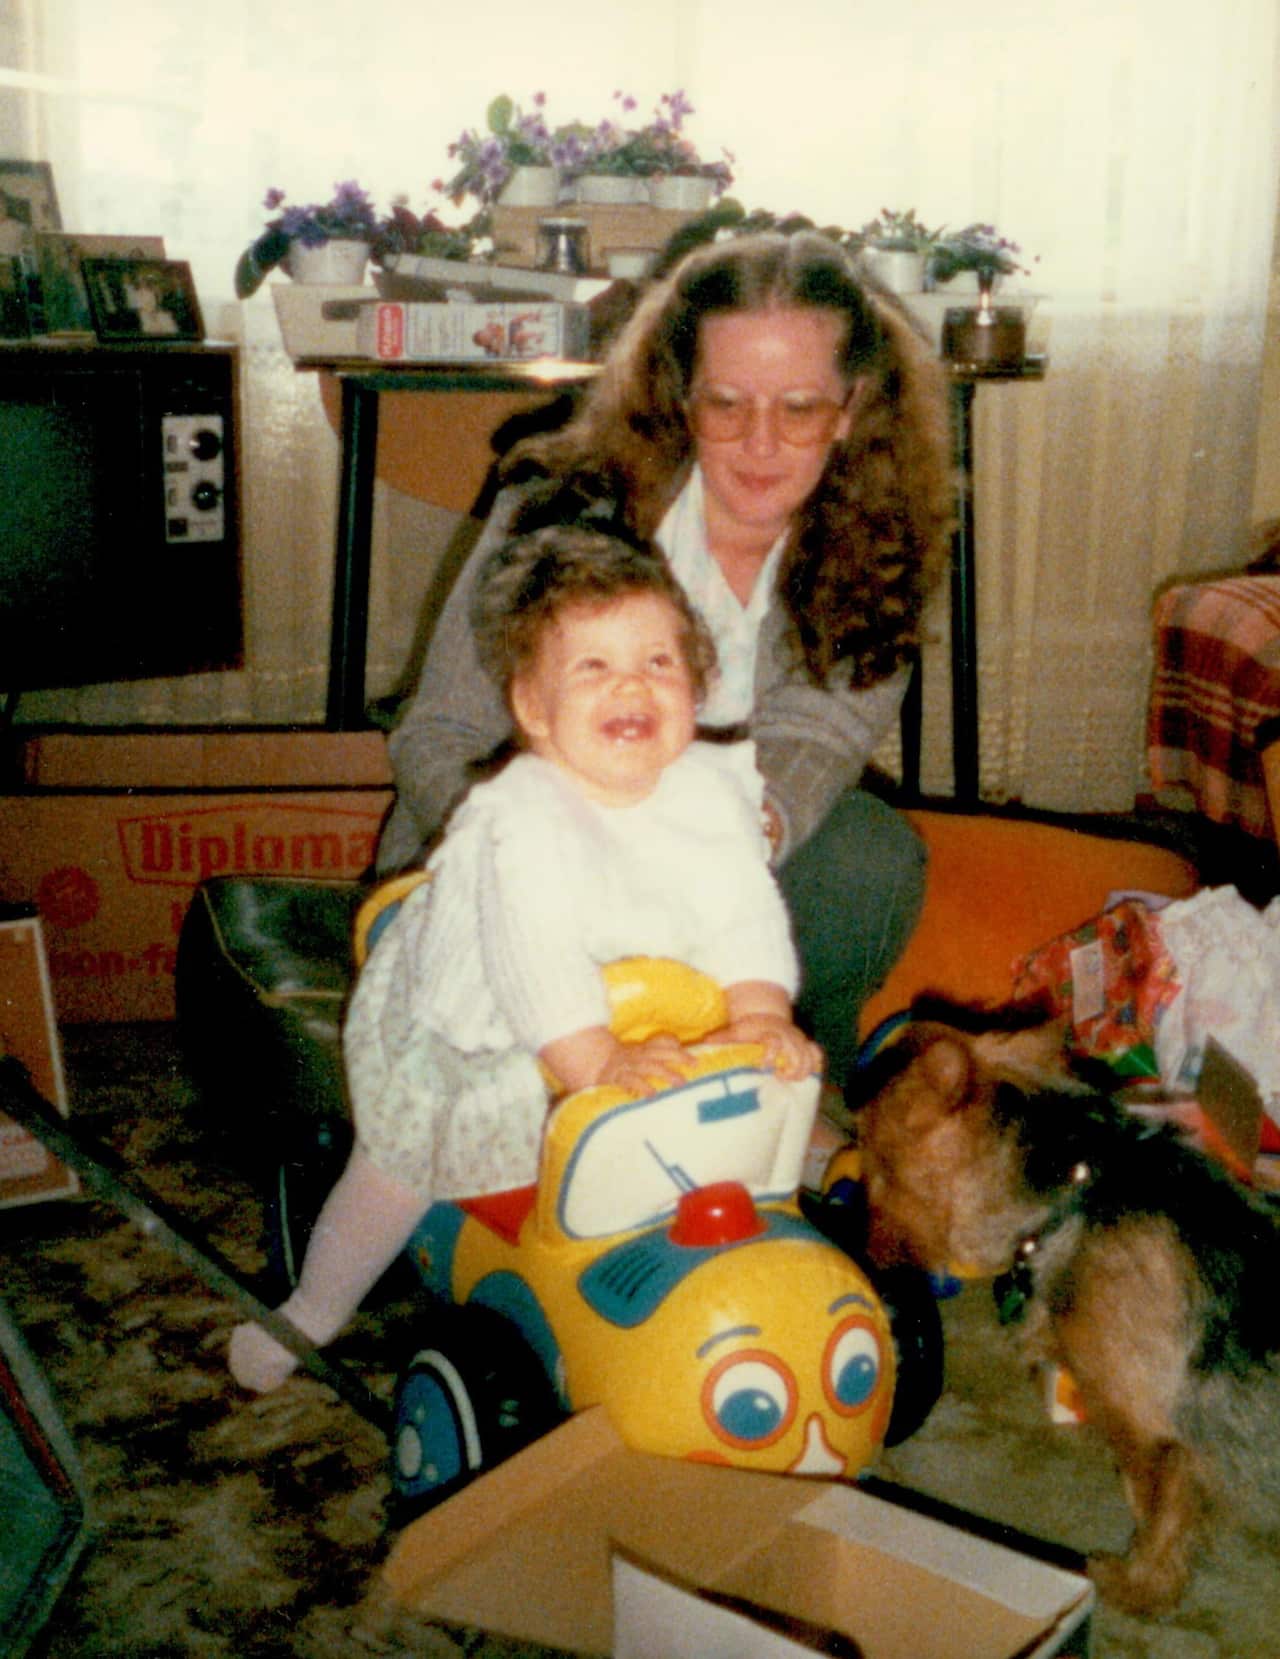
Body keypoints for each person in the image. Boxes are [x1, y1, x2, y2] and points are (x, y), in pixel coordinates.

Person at [229, 524, 820, 1393]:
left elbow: (744, 910)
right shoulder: (522, 817)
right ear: (534, 711)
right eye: (594, 668)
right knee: (404, 1156)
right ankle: (315, 1304)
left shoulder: (708, 788)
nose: (632, 684)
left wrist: (763, 1010)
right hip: (494, 1012)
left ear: (697, 687)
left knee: (739, 1102)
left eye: (659, 663)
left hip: (644, 995)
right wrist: (594, 1059)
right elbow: (534, 960)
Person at [376, 229, 955, 1097]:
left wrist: (699, 857)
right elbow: (438, 735)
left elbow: (813, 748)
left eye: (799, 408)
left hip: (712, 871)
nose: (760, 445)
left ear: (853, 405)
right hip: (513, 863)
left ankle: (788, 1077)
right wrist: (543, 846)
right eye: (726, 404)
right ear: (680, 396)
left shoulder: (882, 546)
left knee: (869, 857)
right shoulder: (559, 509)